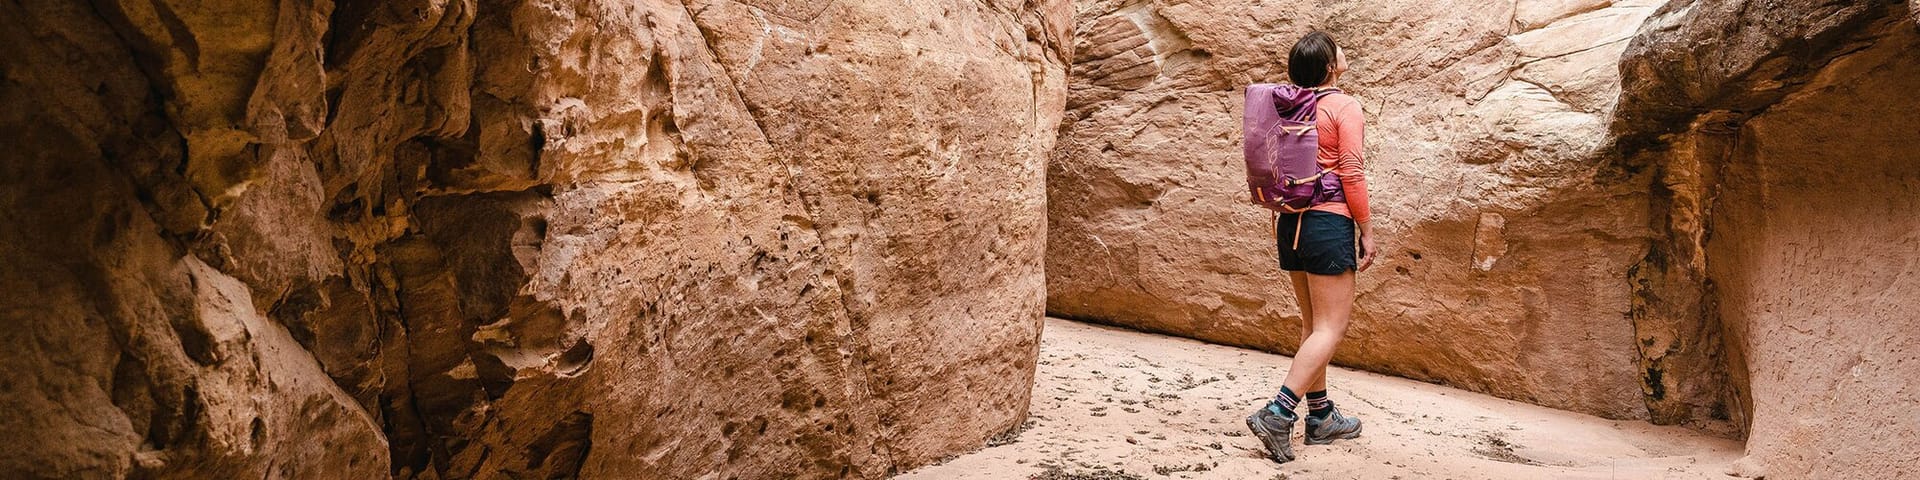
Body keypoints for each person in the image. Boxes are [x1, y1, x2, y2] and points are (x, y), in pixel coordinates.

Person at [1244, 30, 1375, 465]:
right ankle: (1279, 413)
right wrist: (1367, 229)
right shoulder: (1343, 106)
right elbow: (1352, 172)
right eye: (1338, 49)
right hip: (1328, 223)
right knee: (1330, 329)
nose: (1344, 52)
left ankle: (1320, 417)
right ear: (1329, 66)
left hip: (1291, 224)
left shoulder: (1290, 107)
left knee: (1312, 326)